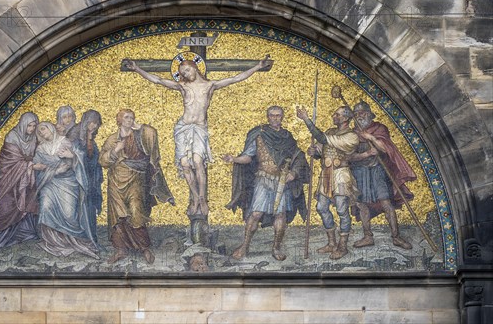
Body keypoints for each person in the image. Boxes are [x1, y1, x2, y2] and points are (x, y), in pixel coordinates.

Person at [125, 56, 270, 221]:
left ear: (195, 67)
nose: (185, 74)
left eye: (187, 70)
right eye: (182, 73)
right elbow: (158, 80)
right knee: (185, 164)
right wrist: (137, 69)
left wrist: (257, 66)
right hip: (183, 129)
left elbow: (235, 78)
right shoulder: (183, 87)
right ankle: (195, 198)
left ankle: (202, 198)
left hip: (199, 129)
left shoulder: (210, 86)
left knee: (198, 161)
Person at [223, 106, 310, 261]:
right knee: (256, 213)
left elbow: (299, 157)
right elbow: (248, 156)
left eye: (278, 116)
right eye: (272, 115)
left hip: (282, 181)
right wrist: (234, 159)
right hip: (263, 179)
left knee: (280, 214)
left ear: (282, 117)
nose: (275, 118)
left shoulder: (287, 137)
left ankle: (276, 247)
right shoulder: (259, 134)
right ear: (267, 117)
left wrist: (294, 173)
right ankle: (245, 245)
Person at [99, 109, 174, 264]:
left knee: (136, 211)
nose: (130, 120)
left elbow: (152, 135)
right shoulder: (112, 139)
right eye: (126, 117)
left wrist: (139, 128)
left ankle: (145, 247)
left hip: (136, 179)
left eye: (132, 117)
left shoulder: (140, 135)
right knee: (118, 215)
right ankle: (121, 249)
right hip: (116, 181)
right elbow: (103, 161)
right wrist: (116, 150)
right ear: (119, 120)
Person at [349, 100, 415, 250]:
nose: (359, 116)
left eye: (362, 112)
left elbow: (385, 148)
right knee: (362, 204)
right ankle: (367, 236)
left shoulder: (379, 128)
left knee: (386, 202)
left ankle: (396, 237)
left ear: (369, 113)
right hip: (360, 171)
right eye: (356, 114)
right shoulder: (352, 134)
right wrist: (366, 154)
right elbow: (349, 156)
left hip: (378, 169)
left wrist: (370, 137)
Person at [297, 105, 360, 260]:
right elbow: (322, 148)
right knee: (321, 207)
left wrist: (306, 119)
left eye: (337, 114)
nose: (334, 116)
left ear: (346, 118)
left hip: (341, 175)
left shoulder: (352, 136)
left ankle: (343, 246)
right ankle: (331, 242)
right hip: (326, 174)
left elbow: (324, 140)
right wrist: (315, 152)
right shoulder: (330, 132)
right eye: (334, 114)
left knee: (341, 209)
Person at [33, 122, 99, 259]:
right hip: (50, 183)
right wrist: (53, 170)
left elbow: (83, 160)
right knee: (45, 207)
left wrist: (72, 156)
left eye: (43, 129)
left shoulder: (66, 142)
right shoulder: (40, 149)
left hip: (68, 182)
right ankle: (53, 243)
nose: (42, 133)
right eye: (39, 132)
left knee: (69, 214)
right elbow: (37, 167)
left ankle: (77, 242)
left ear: (51, 128)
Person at [0, 112, 40, 250]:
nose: (31, 129)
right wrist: (29, 165)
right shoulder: (12, 137)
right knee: (5, 206)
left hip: (26, 179)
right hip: (7, 179)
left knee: (29, 202)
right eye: (29, 125)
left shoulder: (34, 138)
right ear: (23, 124)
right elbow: (9, 161)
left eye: (33, 126)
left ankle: (24, 233)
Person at [71, 110, 104, 243]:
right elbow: (73, 154)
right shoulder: (74, 134)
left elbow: (92, 157)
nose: (94, 126)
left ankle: (91, 236)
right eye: (92, 123)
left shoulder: (90, 137)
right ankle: (81, 237)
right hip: (77, 178)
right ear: (86, 121)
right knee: (80, 205)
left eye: (97, 124)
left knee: (90, 205)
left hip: (89, 178)